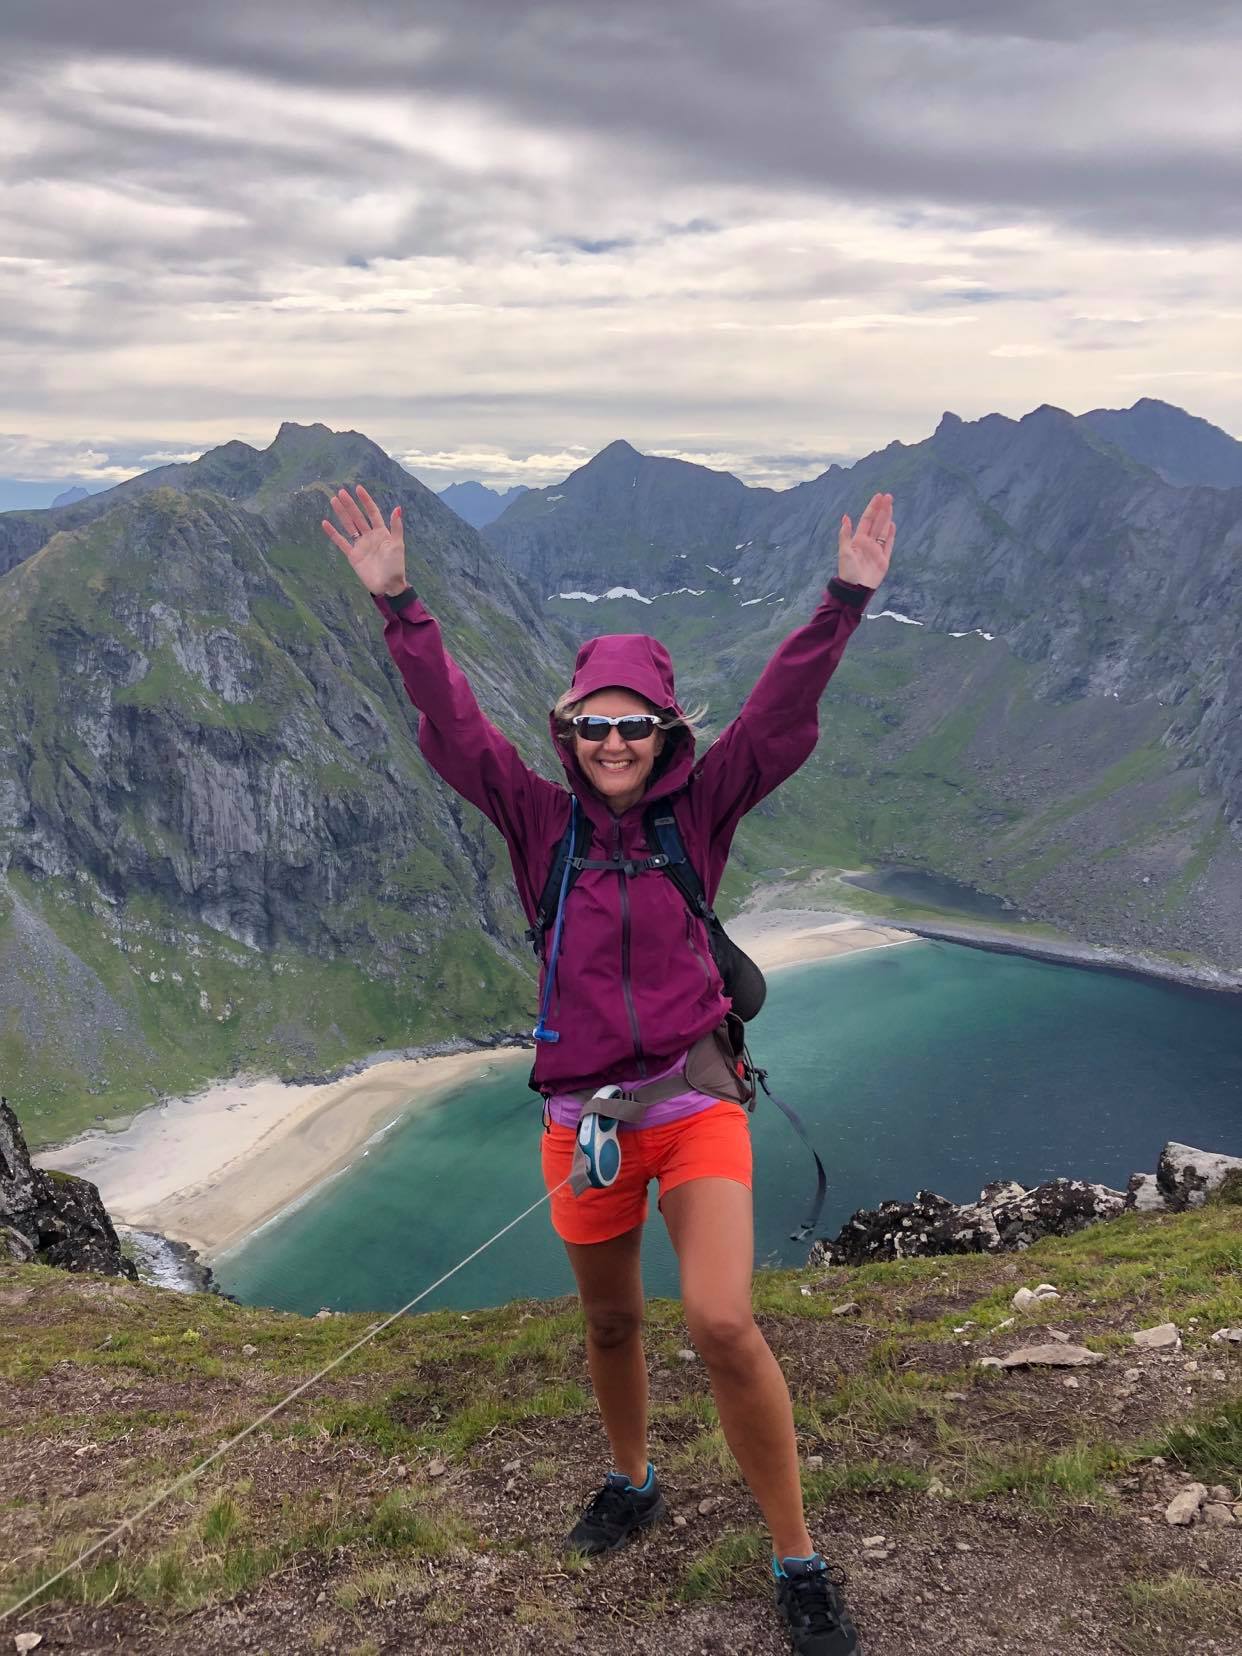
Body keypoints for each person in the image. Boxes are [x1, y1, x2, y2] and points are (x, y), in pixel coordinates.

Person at [322, 482, 895, 1656]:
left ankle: (797, 1558)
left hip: (694, 1107)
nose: (617, 742)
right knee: (612, 1330)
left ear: (668, 732)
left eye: (637, 724)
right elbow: (455, 733)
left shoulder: (706, 808)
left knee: (724, 1322)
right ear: (569, 734)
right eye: (595, 724)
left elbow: (780, 721)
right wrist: (400, 606)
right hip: (579, 1122)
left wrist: (843, 602)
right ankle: (634, 1482)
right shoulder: (541, 823)